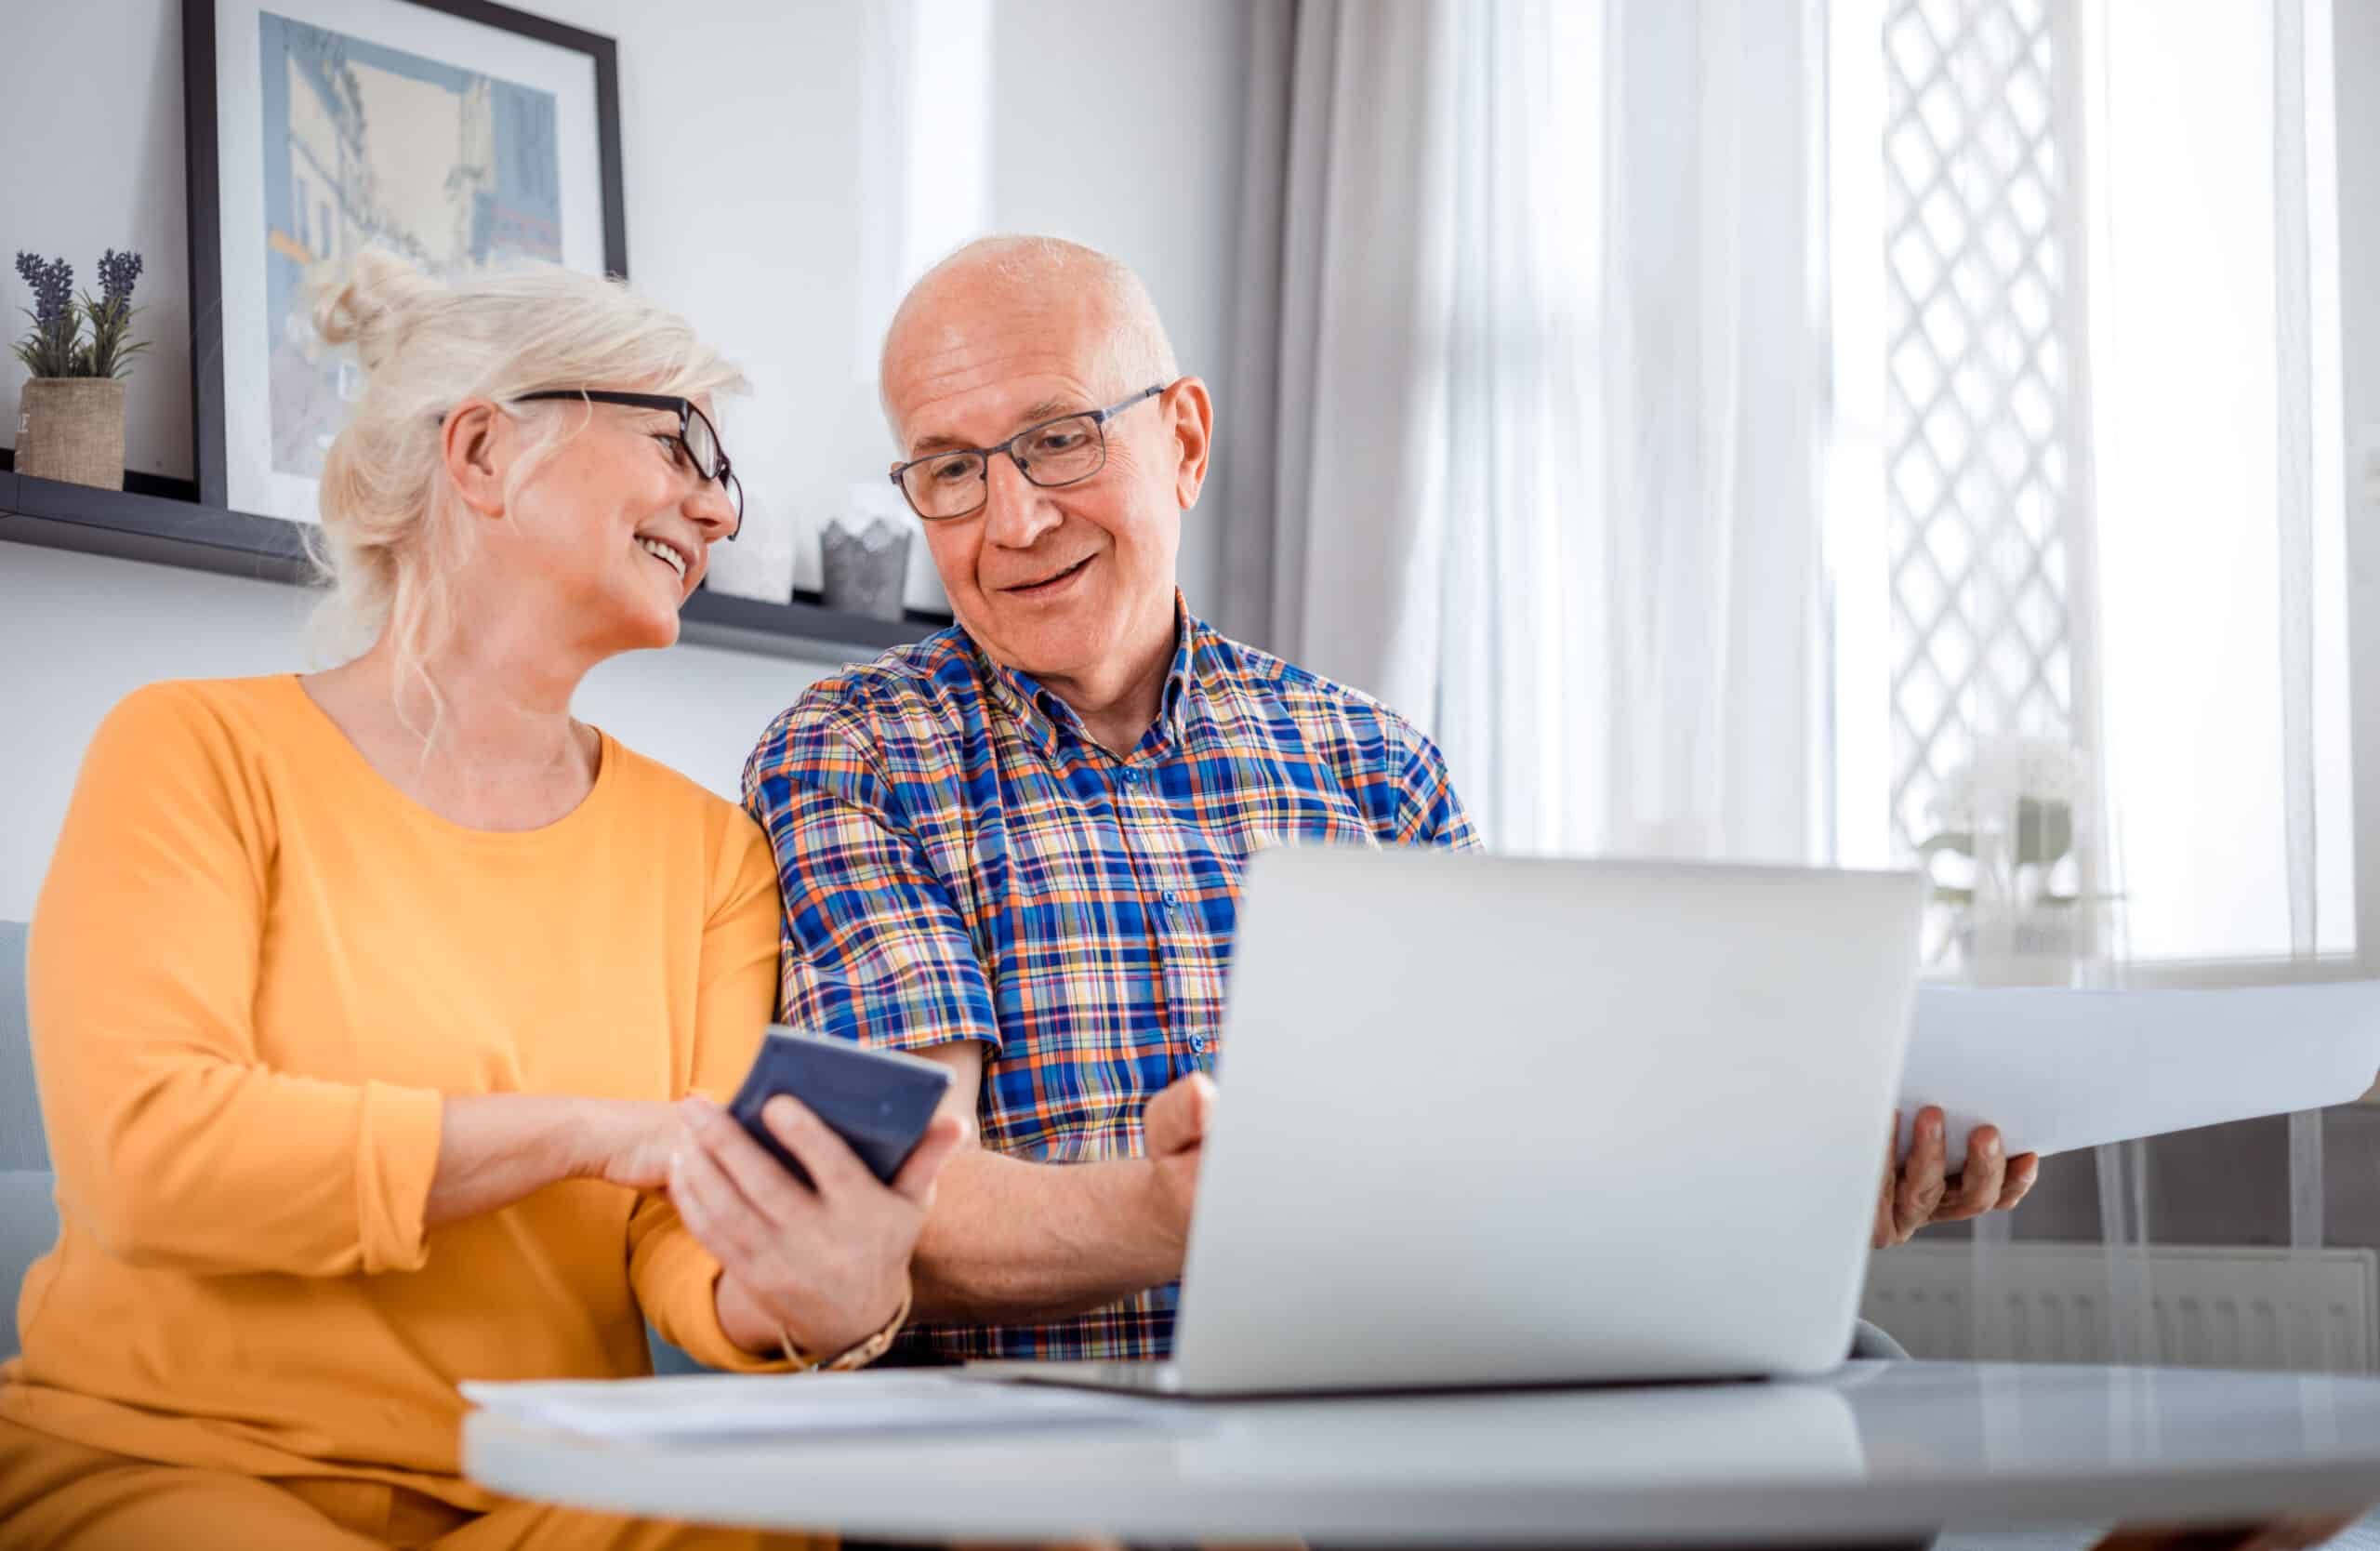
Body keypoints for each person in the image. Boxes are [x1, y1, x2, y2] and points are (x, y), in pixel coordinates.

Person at [740, 235, 2038, 1367]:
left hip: (1401, 1410)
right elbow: (905, 1206)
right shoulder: (850, 757)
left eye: (1060, 441)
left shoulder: (1372, 763)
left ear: (1181, 439)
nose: (1011, 519)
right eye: (952, 469)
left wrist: (1781, 1196)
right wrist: (1202, 1209)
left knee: (1867, 1390)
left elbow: (1518, 1153)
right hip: (1060, 1466)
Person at [0, 253, 964, 1551]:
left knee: (765, 1522)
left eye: (722, 476)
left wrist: (801, 1292)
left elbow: (682, 1247)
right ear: (481, 451)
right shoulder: (192, 753)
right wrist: (583, 1131)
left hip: (548, 1496)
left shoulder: (711, 858)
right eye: (683, 443)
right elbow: (152, 1164)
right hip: (172, 1470)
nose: (718, 512)